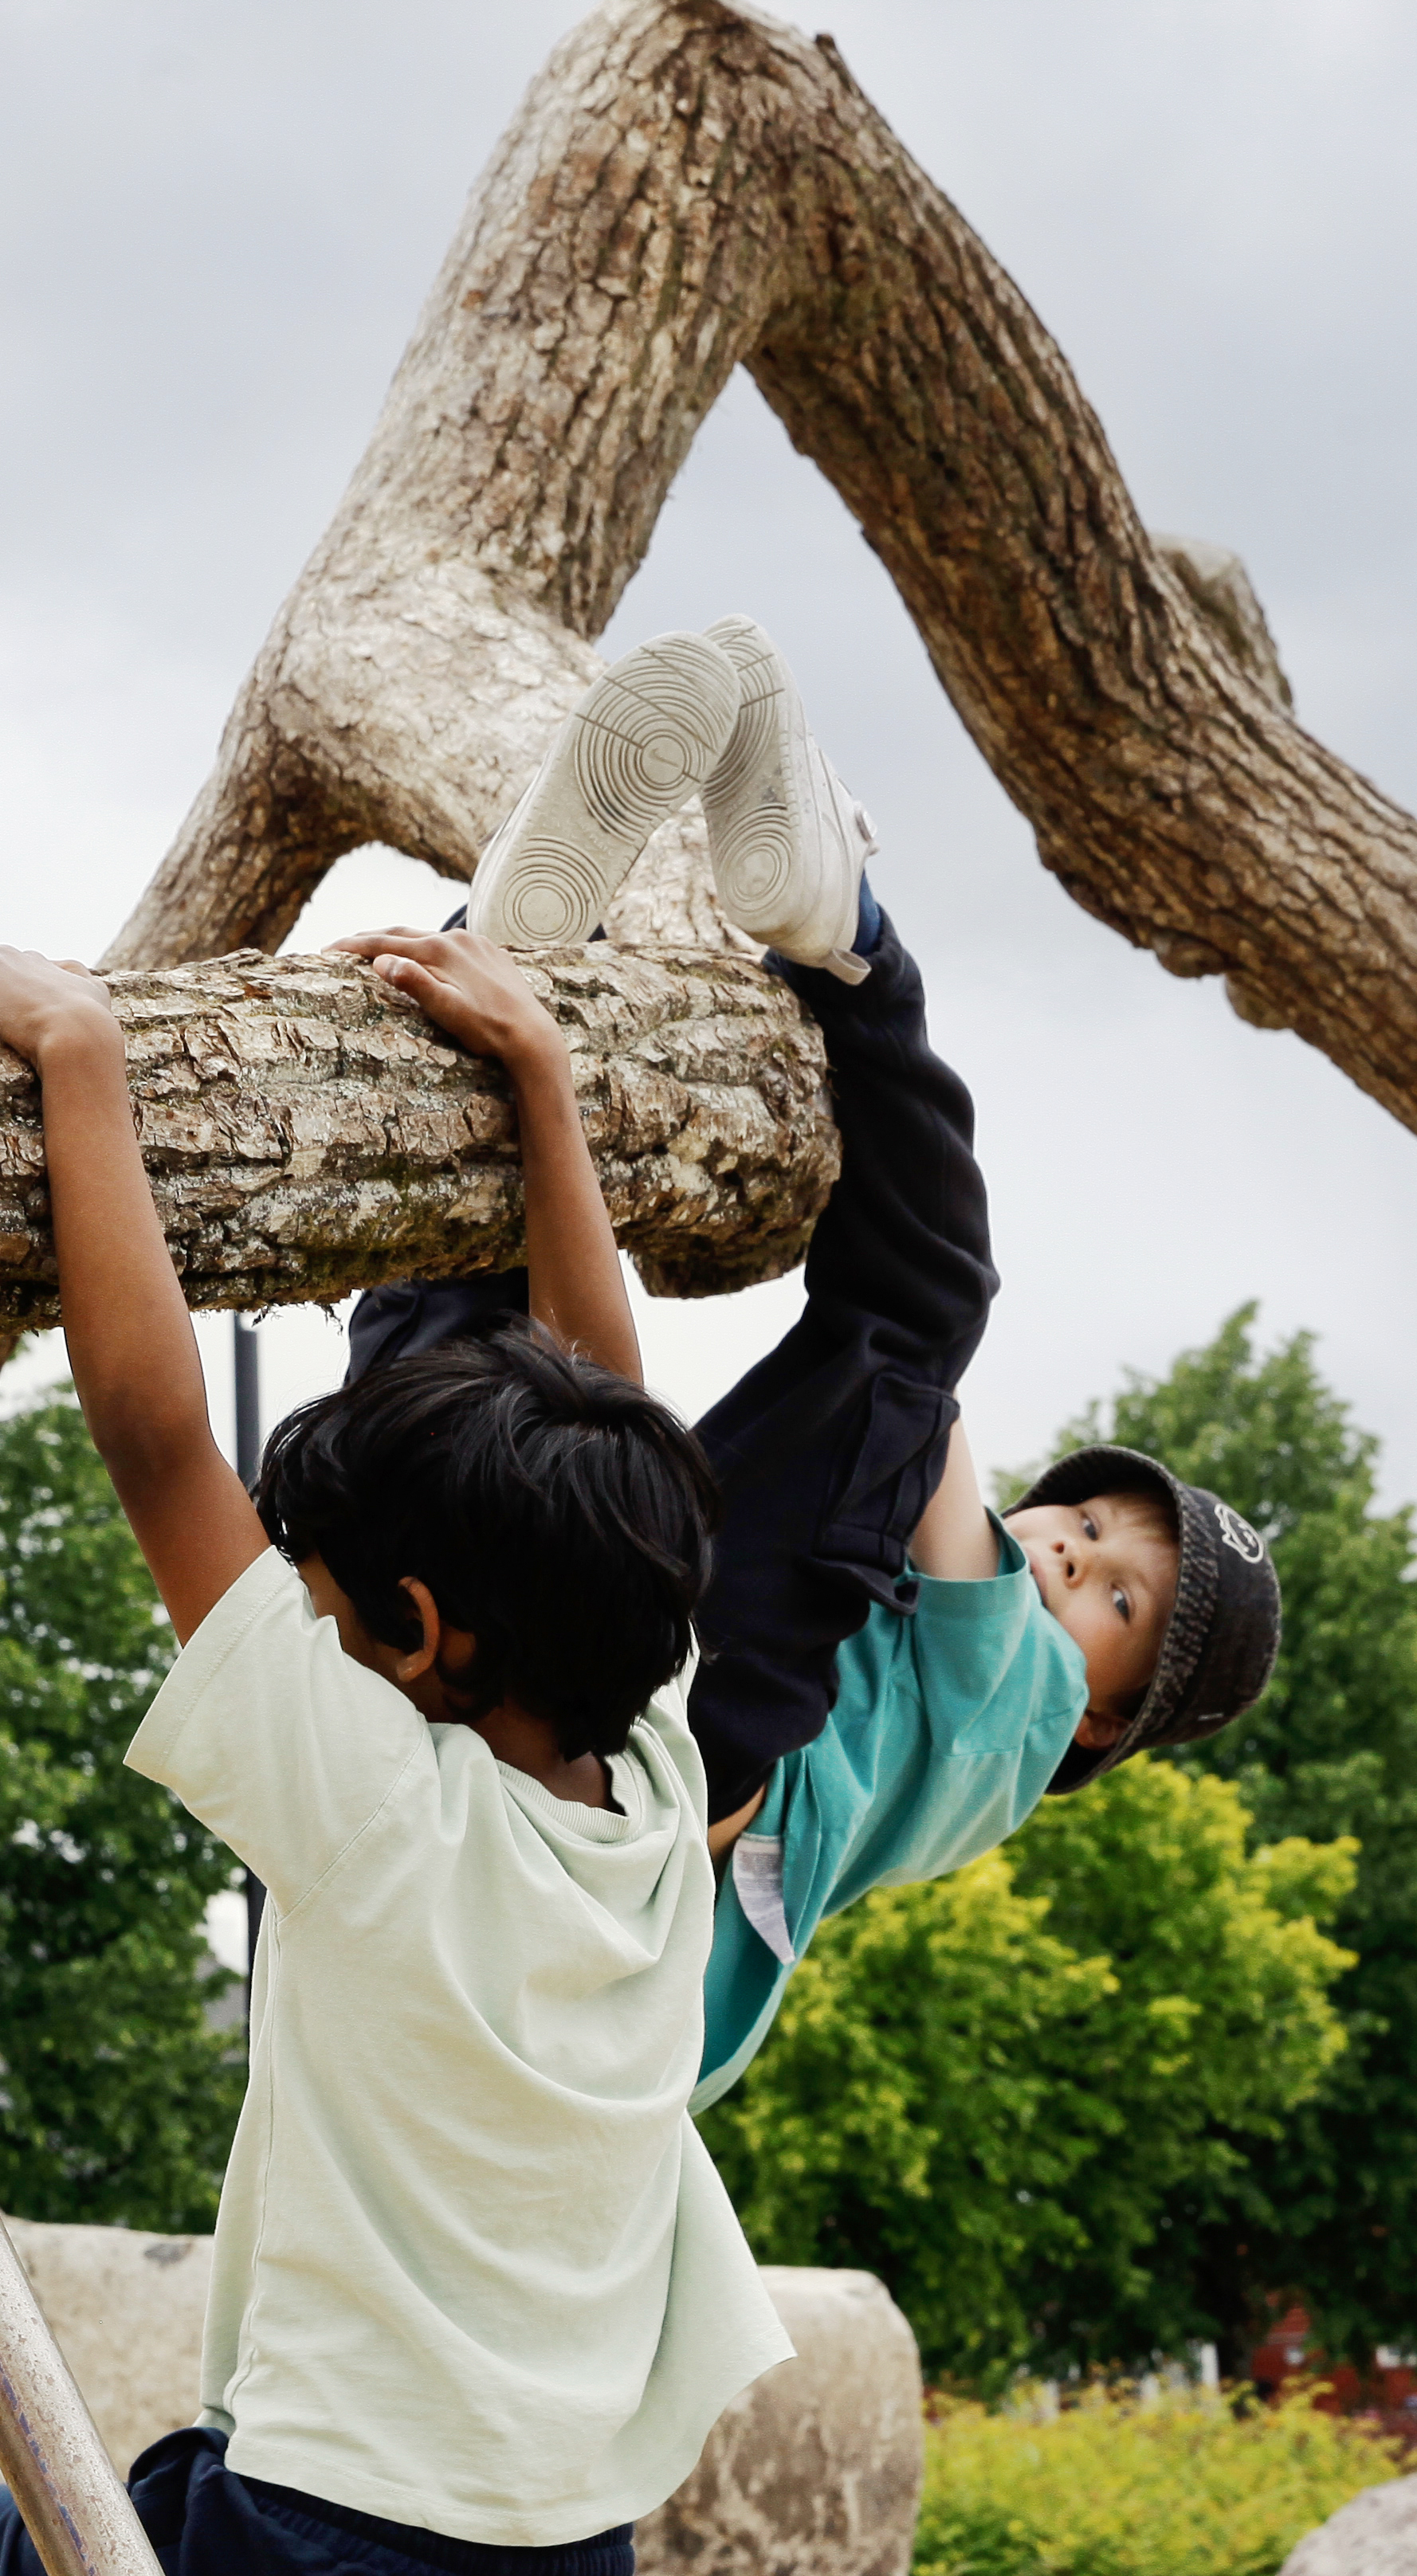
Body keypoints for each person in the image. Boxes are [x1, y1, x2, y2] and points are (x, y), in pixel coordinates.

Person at [0, 838, 777, 2576]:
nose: (288, 1617)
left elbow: (154, 1436)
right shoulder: (658, 1769)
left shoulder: (379, 1805)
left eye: (318, 1601)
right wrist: (547, 1101)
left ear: (415, 1633)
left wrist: (86, 1071)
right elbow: (606, 1403)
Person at [346, 616, 1283, 2106]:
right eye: (1092, 1528)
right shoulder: (933, 1665)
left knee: (921, 1304)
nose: (1070, 1567)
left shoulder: (1011, 1716)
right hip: (534, 1734)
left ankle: (857, 949)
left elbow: (918, 1400)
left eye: (1117, 1597)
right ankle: (497, 966)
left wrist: (900, 1359)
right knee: (459, 1423)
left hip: (697, 1755)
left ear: (1103, 1723)